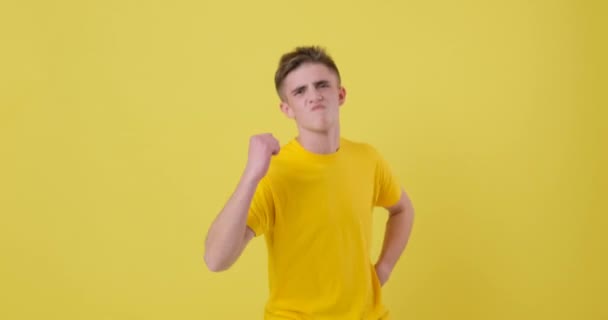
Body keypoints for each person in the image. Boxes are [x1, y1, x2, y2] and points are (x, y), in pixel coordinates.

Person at [204, 46, 415, 319]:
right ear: (286, 109)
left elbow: (402, 209)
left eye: (322, 85)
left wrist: (383, 269)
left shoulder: (368, 158)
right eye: (299, 91)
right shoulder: (274, 173)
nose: (313, 96)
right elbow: (216, 260)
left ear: (340, 95)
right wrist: (251, 175)